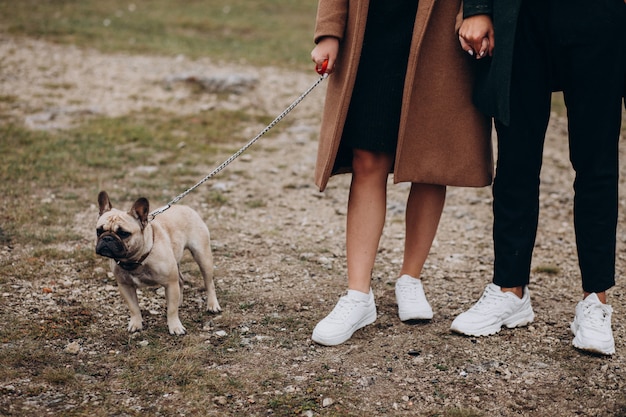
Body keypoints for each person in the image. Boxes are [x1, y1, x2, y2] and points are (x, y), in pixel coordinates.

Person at [309, 0, 493, 346]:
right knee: (367, 157)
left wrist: (478, 10)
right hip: (373, 23)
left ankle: (411, 277)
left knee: (430, 160)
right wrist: (330, 31)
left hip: (442, 27)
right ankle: (358, 295)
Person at [451, 0, 626, 355]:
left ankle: (595, 301)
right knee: (516, 160)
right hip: (520, 15)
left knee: (597, 162)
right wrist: (478, 7)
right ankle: (509, 290)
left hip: (599, 15)